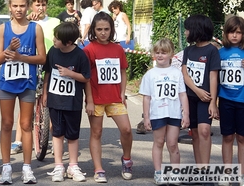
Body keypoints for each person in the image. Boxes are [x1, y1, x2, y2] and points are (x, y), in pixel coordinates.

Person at [0, 0, 46, 184]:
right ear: (10, 7)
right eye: (15, 6)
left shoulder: (35, 29)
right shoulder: (3, 29)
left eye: (22, 6)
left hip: (27, 82)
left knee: (26, 125)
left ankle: (27, 167)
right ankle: (6, 167)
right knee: (7, 124)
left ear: (28, 6)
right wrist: (9, 49)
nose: (19, 9)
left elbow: (42, 57)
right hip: (7, 82)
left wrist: (21, 57)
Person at [82, 12, 133, 182]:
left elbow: (123, 72)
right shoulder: (89, 49)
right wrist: (89, 99)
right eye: (99, 29)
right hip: (96, 98)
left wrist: (122, 93)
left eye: (106, 29)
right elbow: (86, 77)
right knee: (97, 132)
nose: (103, 32)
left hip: (114, 97)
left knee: (126, 129)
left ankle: (126, 160)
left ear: (111, 29)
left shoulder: (117, 48)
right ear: (93, 30)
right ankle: (98, 169)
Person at [11, 0, 61, 155]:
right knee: (26, 103)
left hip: (50, 64)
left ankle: (55, 139)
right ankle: (18, 140)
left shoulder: (54, 22)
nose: (41, 8)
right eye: (37, 4)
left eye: (44, 4)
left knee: (51, 103)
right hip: (31, 65)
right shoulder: (27, 22)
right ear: (30, 6)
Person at [44, 22, 93, 182]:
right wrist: (45, 94)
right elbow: (48, 74)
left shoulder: (80, 55)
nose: (53, 40)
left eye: (57, 39)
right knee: (57, 133)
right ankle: (59, 166)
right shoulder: (53, 51)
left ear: (68, 42)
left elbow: (86, 77)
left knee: (73, 135)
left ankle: (73, 165)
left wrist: (70, 73)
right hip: (55, 100)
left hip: (73, 102)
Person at [139, 38, 190, 184]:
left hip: (174, 113)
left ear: (171, 55)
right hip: (157, 114)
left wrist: (186, 114)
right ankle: (158, 172)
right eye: (157, 52)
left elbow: (182, 95)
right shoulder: (150, 74)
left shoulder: (177, 73)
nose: (160, 55)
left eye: (164, 52)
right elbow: (147, 98)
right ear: (154, 54)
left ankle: (175, 173)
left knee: (173, 143)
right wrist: (146, 117)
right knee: (159, 142)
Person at [181, 14, 220, 170]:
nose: (185, 33)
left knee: (204, 131)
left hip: (206, 99)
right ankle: (199, 169)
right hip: (191, 97)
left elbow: (213, 77)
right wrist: (197, 90)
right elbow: (185, 74)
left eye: (187, 29)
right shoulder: (188, 50)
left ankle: (205, 169)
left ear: (196, 30)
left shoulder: (212, 51)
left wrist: (213, 102)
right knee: (195, 133)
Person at [218, 16, 244, 183]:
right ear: (226, 34)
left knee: (242, 138)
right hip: (226, 99)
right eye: (231, 32)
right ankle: (227, 172)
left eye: (239, 32)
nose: (235, 35)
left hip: (243, 101)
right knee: (227, 137)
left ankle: (241, 175)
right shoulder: (219, 53)